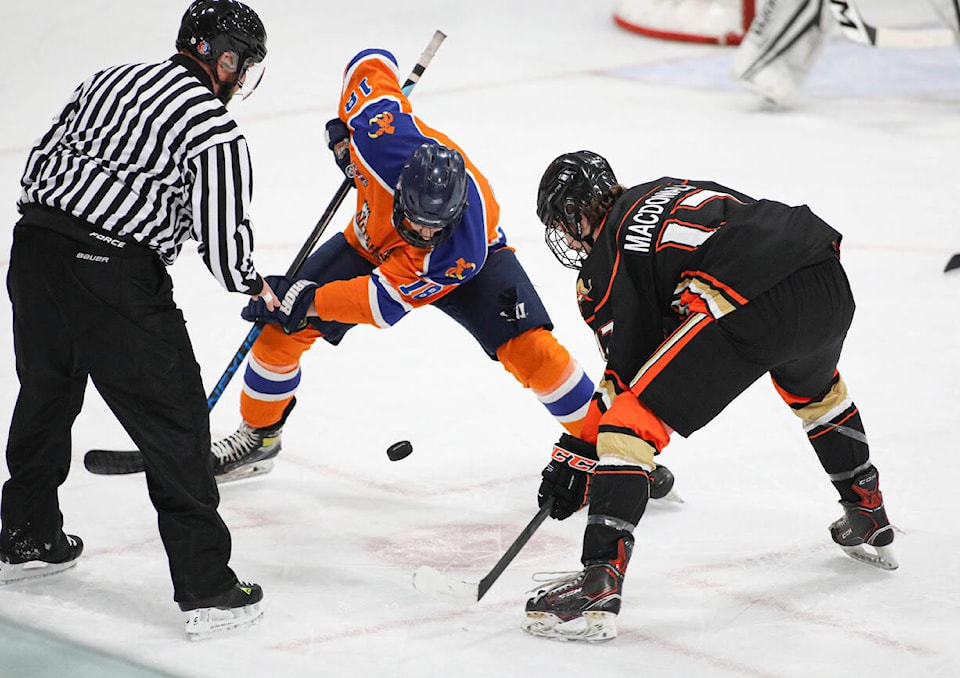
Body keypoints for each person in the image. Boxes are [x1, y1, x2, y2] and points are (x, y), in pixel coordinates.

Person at [213, 47, 677, 500]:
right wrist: (345, 133)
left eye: (436, 227)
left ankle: (613, 450)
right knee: (277, 331)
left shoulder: (460, 249)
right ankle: (260, 436)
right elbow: (371, 61)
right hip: (370, 244)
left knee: (532, 351)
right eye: (415, 220)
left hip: (463, 271)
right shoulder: (379, 136)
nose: (423, 234)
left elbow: (378, 303)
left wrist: (308, 300)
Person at [522, 150, 897, 643]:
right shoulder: (664, 188)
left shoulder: (607, 258)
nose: (567, 239)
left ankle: (599, 580)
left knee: (628, 426)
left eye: (563, 225)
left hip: (747, 298)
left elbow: (624, 376)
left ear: (576, 214)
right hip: (823, 275)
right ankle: (867, 510)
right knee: (817, 393)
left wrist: (578, 452)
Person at [0, 0, 274, 640]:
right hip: (113, 274)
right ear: (221, 56)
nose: (241, 80)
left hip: (34, 250)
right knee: (177, 423)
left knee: (47, 392)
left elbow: (39, 164)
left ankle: (26, 534)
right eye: (241, 64)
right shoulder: (212, 127)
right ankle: (209, 589)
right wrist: (257, 286)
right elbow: (223, 245)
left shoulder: (107, 79)